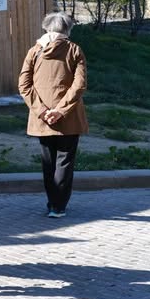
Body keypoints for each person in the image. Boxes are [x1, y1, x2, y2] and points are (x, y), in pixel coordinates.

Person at [18, 12, 88, 218]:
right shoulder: (74, 50)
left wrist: (43, 111)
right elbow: (79, 84)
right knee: (65, 161)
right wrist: (61, 110)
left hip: (42, 119)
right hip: (69, 117)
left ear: (46, 28)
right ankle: (59, 206)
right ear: (67, 29)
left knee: (48, 162)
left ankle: (52, 203)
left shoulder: (34, 51)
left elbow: (24, 85)